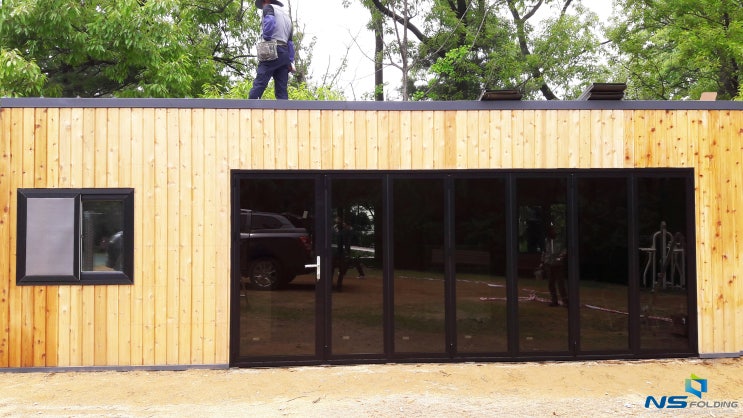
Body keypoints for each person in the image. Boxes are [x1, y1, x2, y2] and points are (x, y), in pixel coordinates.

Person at [249, 0, 295, 100]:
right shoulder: (287, 17)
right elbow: (290, 42)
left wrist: (266, 38)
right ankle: (283, 109)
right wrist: (291, 61)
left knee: (259, 83)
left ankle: (250, 107)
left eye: (262, 4)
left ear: (266, 1)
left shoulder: (269, 7)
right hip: (285, 53)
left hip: (272, 48)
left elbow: (270, 21)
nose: (263, 6)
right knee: (282, 90)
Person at [541, 226, 567, 307]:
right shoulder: (546, 240)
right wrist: (542, 262)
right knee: (551, 283)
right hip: (548, 264)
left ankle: (565, 301)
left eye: (553, 231)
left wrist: (560, 258)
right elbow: (544, 251)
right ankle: (554, 300)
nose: (552, 232)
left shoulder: (560, 240)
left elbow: (564, 250)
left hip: (558, 264)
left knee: (560, 283)